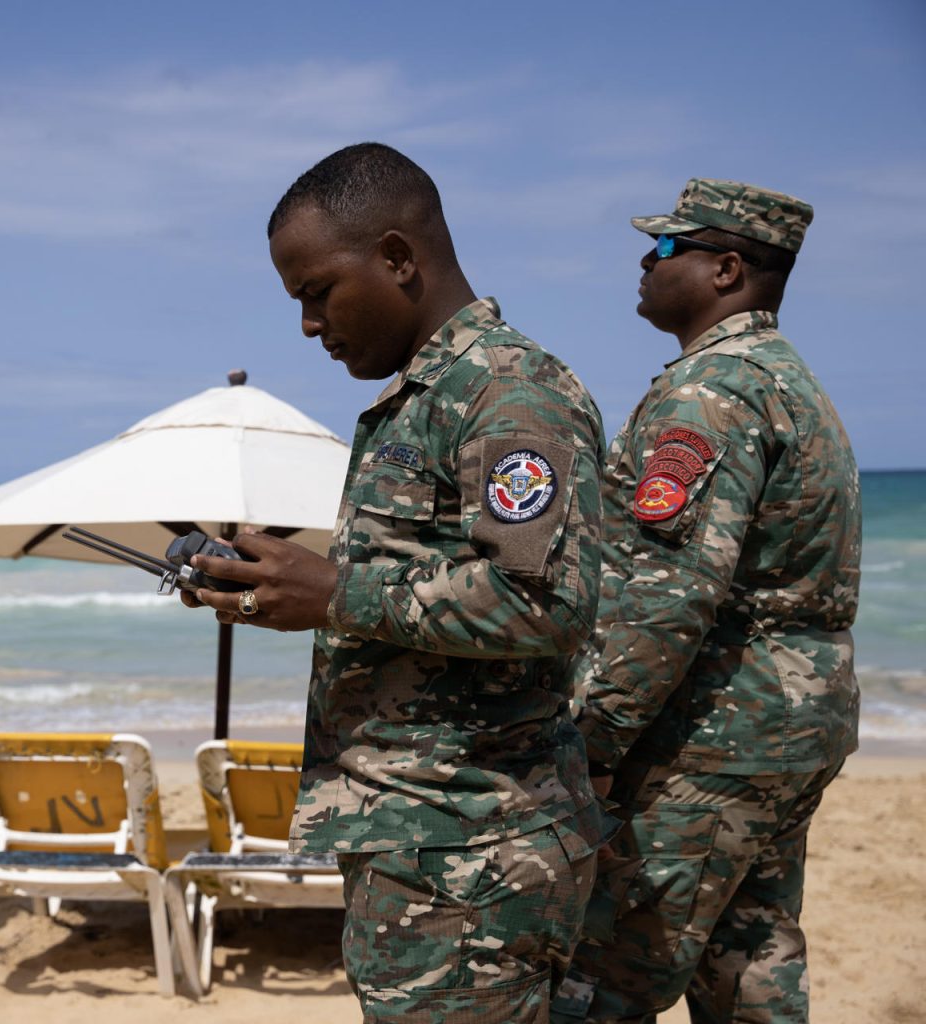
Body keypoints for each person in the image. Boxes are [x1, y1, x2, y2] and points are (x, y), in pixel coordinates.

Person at [181, 142, 609, 1022]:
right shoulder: (420, 399)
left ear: (399, 259)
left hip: (474, 846)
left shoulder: (510, 392)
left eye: (316, 293)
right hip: (423, 837)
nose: (308, 325)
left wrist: (335, 593)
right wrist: (268, 584)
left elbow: (547, 601)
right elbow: (422, 591)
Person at [551, 181, 860, 1024]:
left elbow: (668, 594)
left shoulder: (710, 393)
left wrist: (597, 741)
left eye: (663, 250)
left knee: (602, 979)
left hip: (710, 737)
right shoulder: (792, 381)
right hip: (792, 725)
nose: (643, 264)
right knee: (749, 961)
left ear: (726, 269)